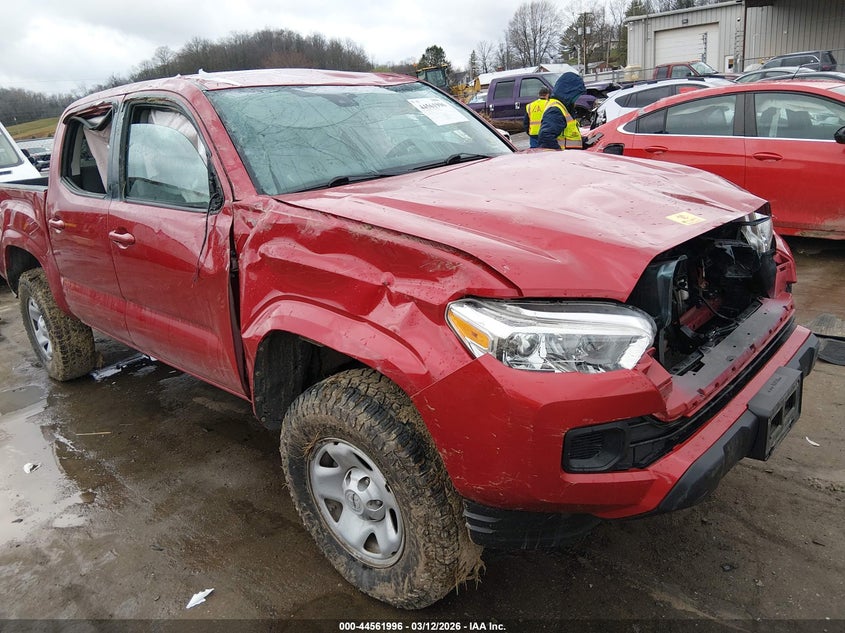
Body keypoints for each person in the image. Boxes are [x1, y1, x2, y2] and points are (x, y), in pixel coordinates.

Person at [537, 72, 586, 150]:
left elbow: (567, 136)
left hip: (569, 158)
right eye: (577, 95)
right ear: (571, 93)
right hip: (563, 159)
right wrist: (560, 155)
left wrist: (583, 141)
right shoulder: (556, 110)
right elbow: (545, 137)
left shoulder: (563, 107)